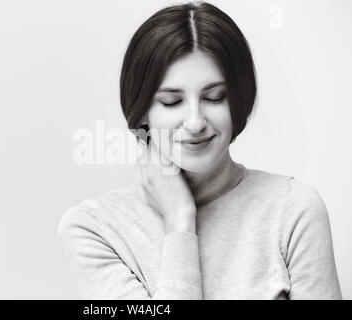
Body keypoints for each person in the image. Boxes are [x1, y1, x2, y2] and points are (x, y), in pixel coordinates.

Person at [57, 1, 342, 299]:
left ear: (238, 103)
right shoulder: (94, 228)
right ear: (142, 111)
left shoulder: (293, 209)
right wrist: (180, 222)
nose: (195, 122)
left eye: (215, 98)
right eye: (171, 102)